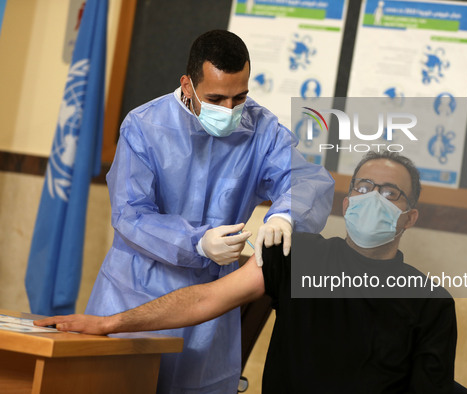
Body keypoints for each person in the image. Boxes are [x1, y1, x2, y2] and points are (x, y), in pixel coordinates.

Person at [37, 152, 458, 393]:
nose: (373, 198)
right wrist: (112, 322)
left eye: (390, 193)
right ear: (346, 206)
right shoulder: (298, 255)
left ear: (410, 217)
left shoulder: (431, 302)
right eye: (364, 188)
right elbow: (206, 298)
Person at [82, 30, 334, 393]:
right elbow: (130, 215)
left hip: (210, 307)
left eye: (240, 97)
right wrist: (197, 242)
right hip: (136, 293)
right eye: (216, 98)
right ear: (187, 85)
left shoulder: (261, 130)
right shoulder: (144, 126)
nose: (230, 111)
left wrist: (284, 214)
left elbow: (306, 180)